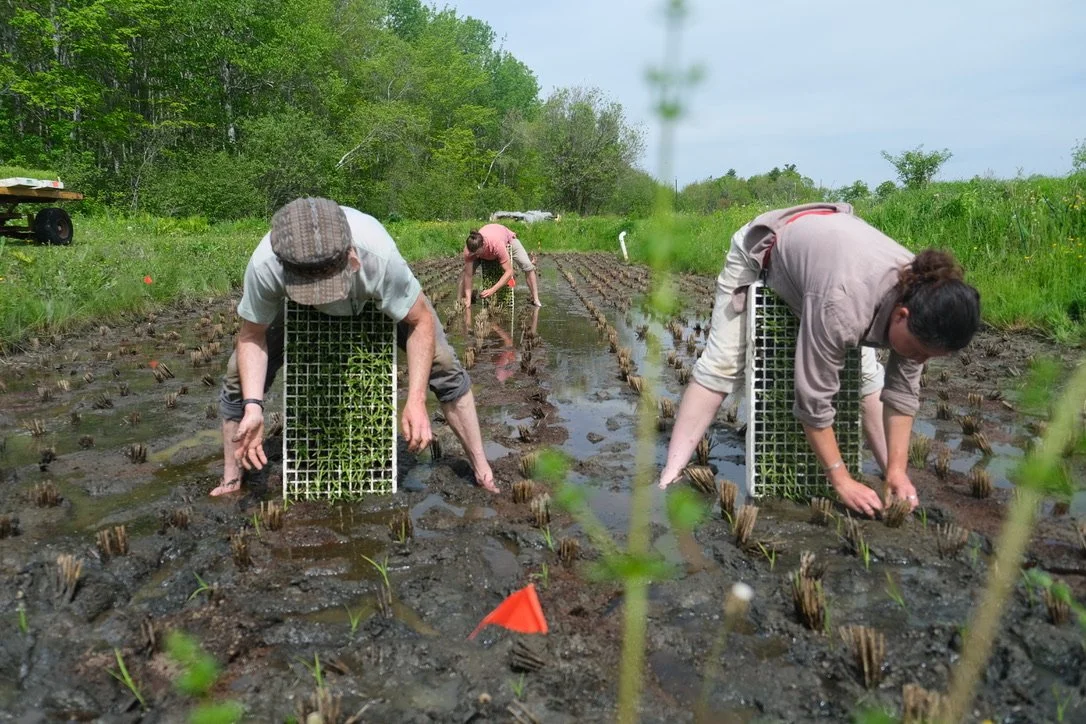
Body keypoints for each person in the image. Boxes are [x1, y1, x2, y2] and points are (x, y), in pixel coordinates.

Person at [657, 203, 981, 518]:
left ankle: (893, 479)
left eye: (929, 356)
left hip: (830, 266)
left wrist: (897, 470)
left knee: (868, 378)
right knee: (722, 364)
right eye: (918, 351)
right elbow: (812, 402)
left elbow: (902, 393)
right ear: (902, 315)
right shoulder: (842, 306)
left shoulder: (926, 295)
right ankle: (670, 474)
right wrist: (841, 481)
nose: (919, 360)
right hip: (767, 248)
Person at [212, 197, 498, 496]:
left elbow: (420, 322)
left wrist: (415, 400)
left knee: (444, 366)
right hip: (296, 304)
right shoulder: (266, 265)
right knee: (237, 378)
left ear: (351, 256)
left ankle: (481, 468)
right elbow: (251, 336)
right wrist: (254, 406)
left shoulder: (378, 255)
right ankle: (231, 479)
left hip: (369, 297)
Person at [459, 223, 543, 308]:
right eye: (473, 253)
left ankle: (536, 299)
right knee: (466, 271)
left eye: (477, 253)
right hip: (488, 242)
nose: (475, 256)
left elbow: (509, 272)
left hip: (506, 240)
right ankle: (461, 299)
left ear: (483, 245)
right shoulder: (470, 250)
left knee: (528, 266)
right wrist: (468, 299)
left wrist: (492, 290)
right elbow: (468, 275)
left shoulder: (497, 245)